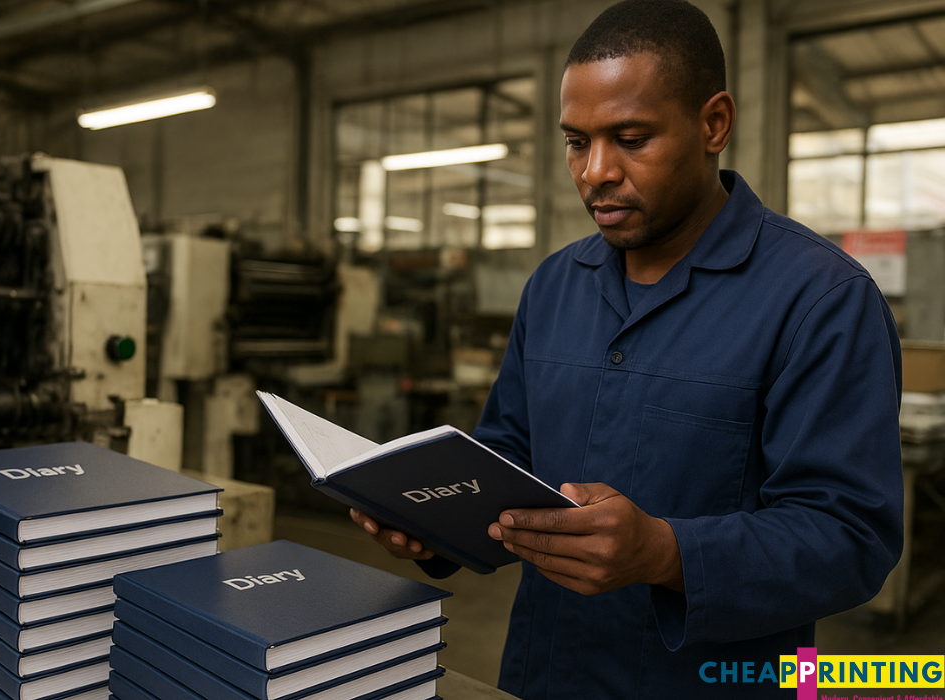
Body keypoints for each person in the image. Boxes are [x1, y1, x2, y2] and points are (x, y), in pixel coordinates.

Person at [350, 0, 904, 697]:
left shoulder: (820, 300)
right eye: (576, 141)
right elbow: (505, 458)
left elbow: (851, 537)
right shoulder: (554, 286)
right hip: (542, 675)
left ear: (714, 124)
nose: (595, 172)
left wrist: (668, 554)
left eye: (631, 138)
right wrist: (433, 517)